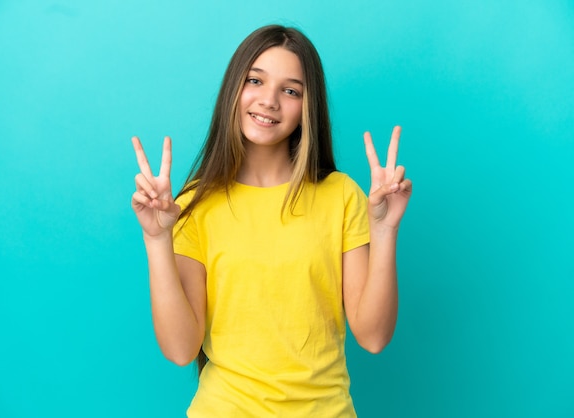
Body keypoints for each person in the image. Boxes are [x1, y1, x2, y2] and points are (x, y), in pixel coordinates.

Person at [131, 25, 412, 417]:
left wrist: (384, 230)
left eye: (291, 90)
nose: (269, 101)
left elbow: (374, 336)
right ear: (234, 88)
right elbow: (181, 350)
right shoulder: (196, 204)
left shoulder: (341, 195)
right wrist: (157, 240)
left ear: (307, 108)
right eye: (255, 80)